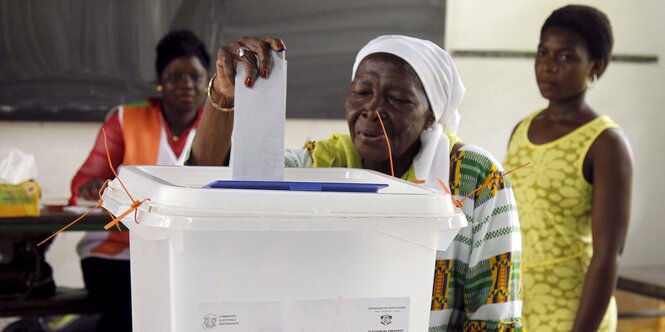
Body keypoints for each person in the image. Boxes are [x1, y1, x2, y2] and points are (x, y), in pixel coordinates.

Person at [190, 35, 523, 331]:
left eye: (398, 100)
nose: (372, 110)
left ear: (431, 115)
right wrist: (223, 96)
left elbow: (494, 314)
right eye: (362, 92)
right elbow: (209, 183)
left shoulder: (471, 177)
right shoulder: (321, 163)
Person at [69, 29, 210, 331]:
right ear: (160, 81)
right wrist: (93, 189)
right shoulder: (124, 120)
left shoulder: (219, 131)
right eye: (175, 76)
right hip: (116, 252)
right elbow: (82, 188)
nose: (186, 84)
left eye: (195, 77)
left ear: (208, 83)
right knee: (132, 313)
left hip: (186, 253)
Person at [503, 5, 633, 332]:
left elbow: (608, 255)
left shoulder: (606, 144)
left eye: (565, 57)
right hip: (517, 307)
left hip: (573, 314)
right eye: (543, 52)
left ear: (596, 67)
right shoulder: (522, 129)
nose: (547, 66)